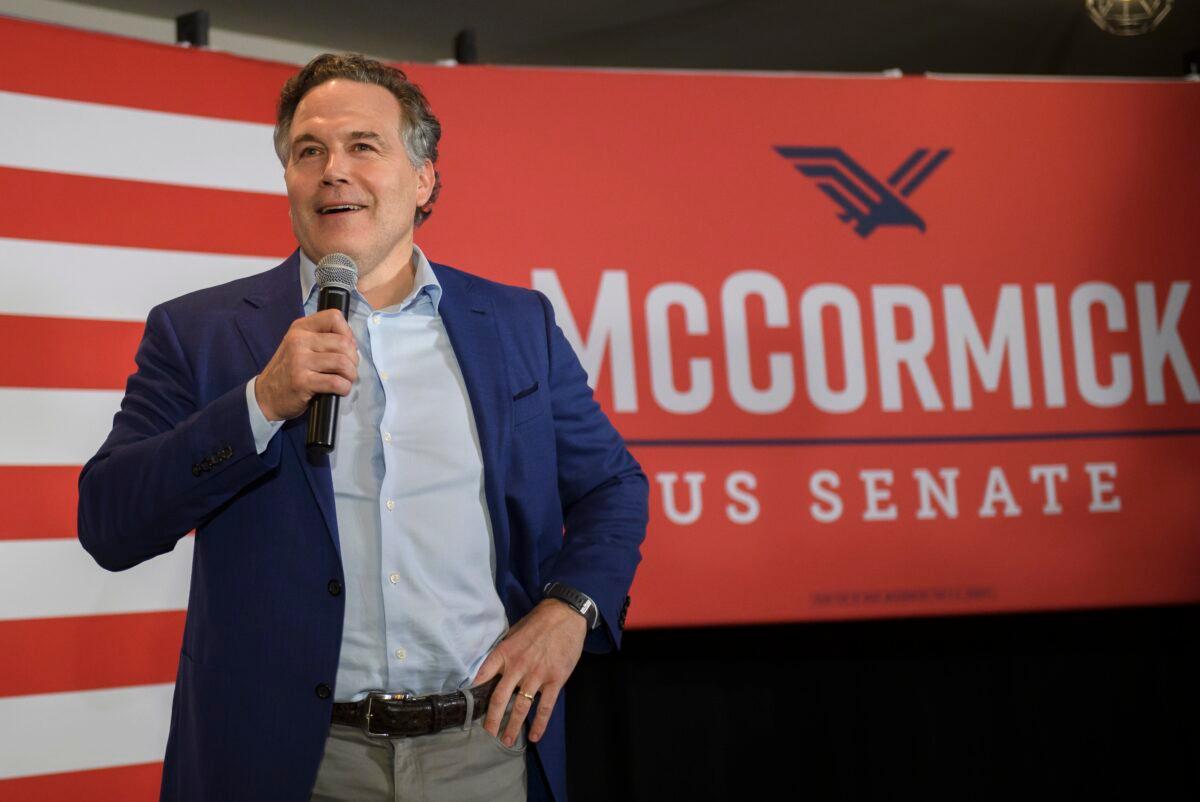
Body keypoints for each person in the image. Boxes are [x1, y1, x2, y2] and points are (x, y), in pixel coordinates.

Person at [77, 53, 647, 802]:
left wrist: (570, 608)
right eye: (307, 151)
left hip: (485, 750)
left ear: (423, 180)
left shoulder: (515, 325)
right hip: (290, 764)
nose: (331, 170)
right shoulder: (200, 333)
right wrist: (258, 403)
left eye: (362, 146)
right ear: (288, 180)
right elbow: (109, 522)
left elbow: (613, 485)